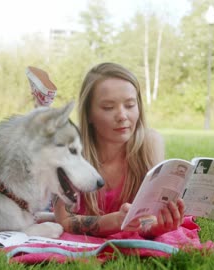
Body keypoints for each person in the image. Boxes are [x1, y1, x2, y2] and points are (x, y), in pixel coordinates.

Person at [41, 62, 185, 238]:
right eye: (108, 107)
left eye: (130, 105)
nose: (122, 116)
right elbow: (65, 220)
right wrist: (115, 221)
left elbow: (149, 221)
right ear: (89, 114)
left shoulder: (150, 143)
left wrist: (159, 227)